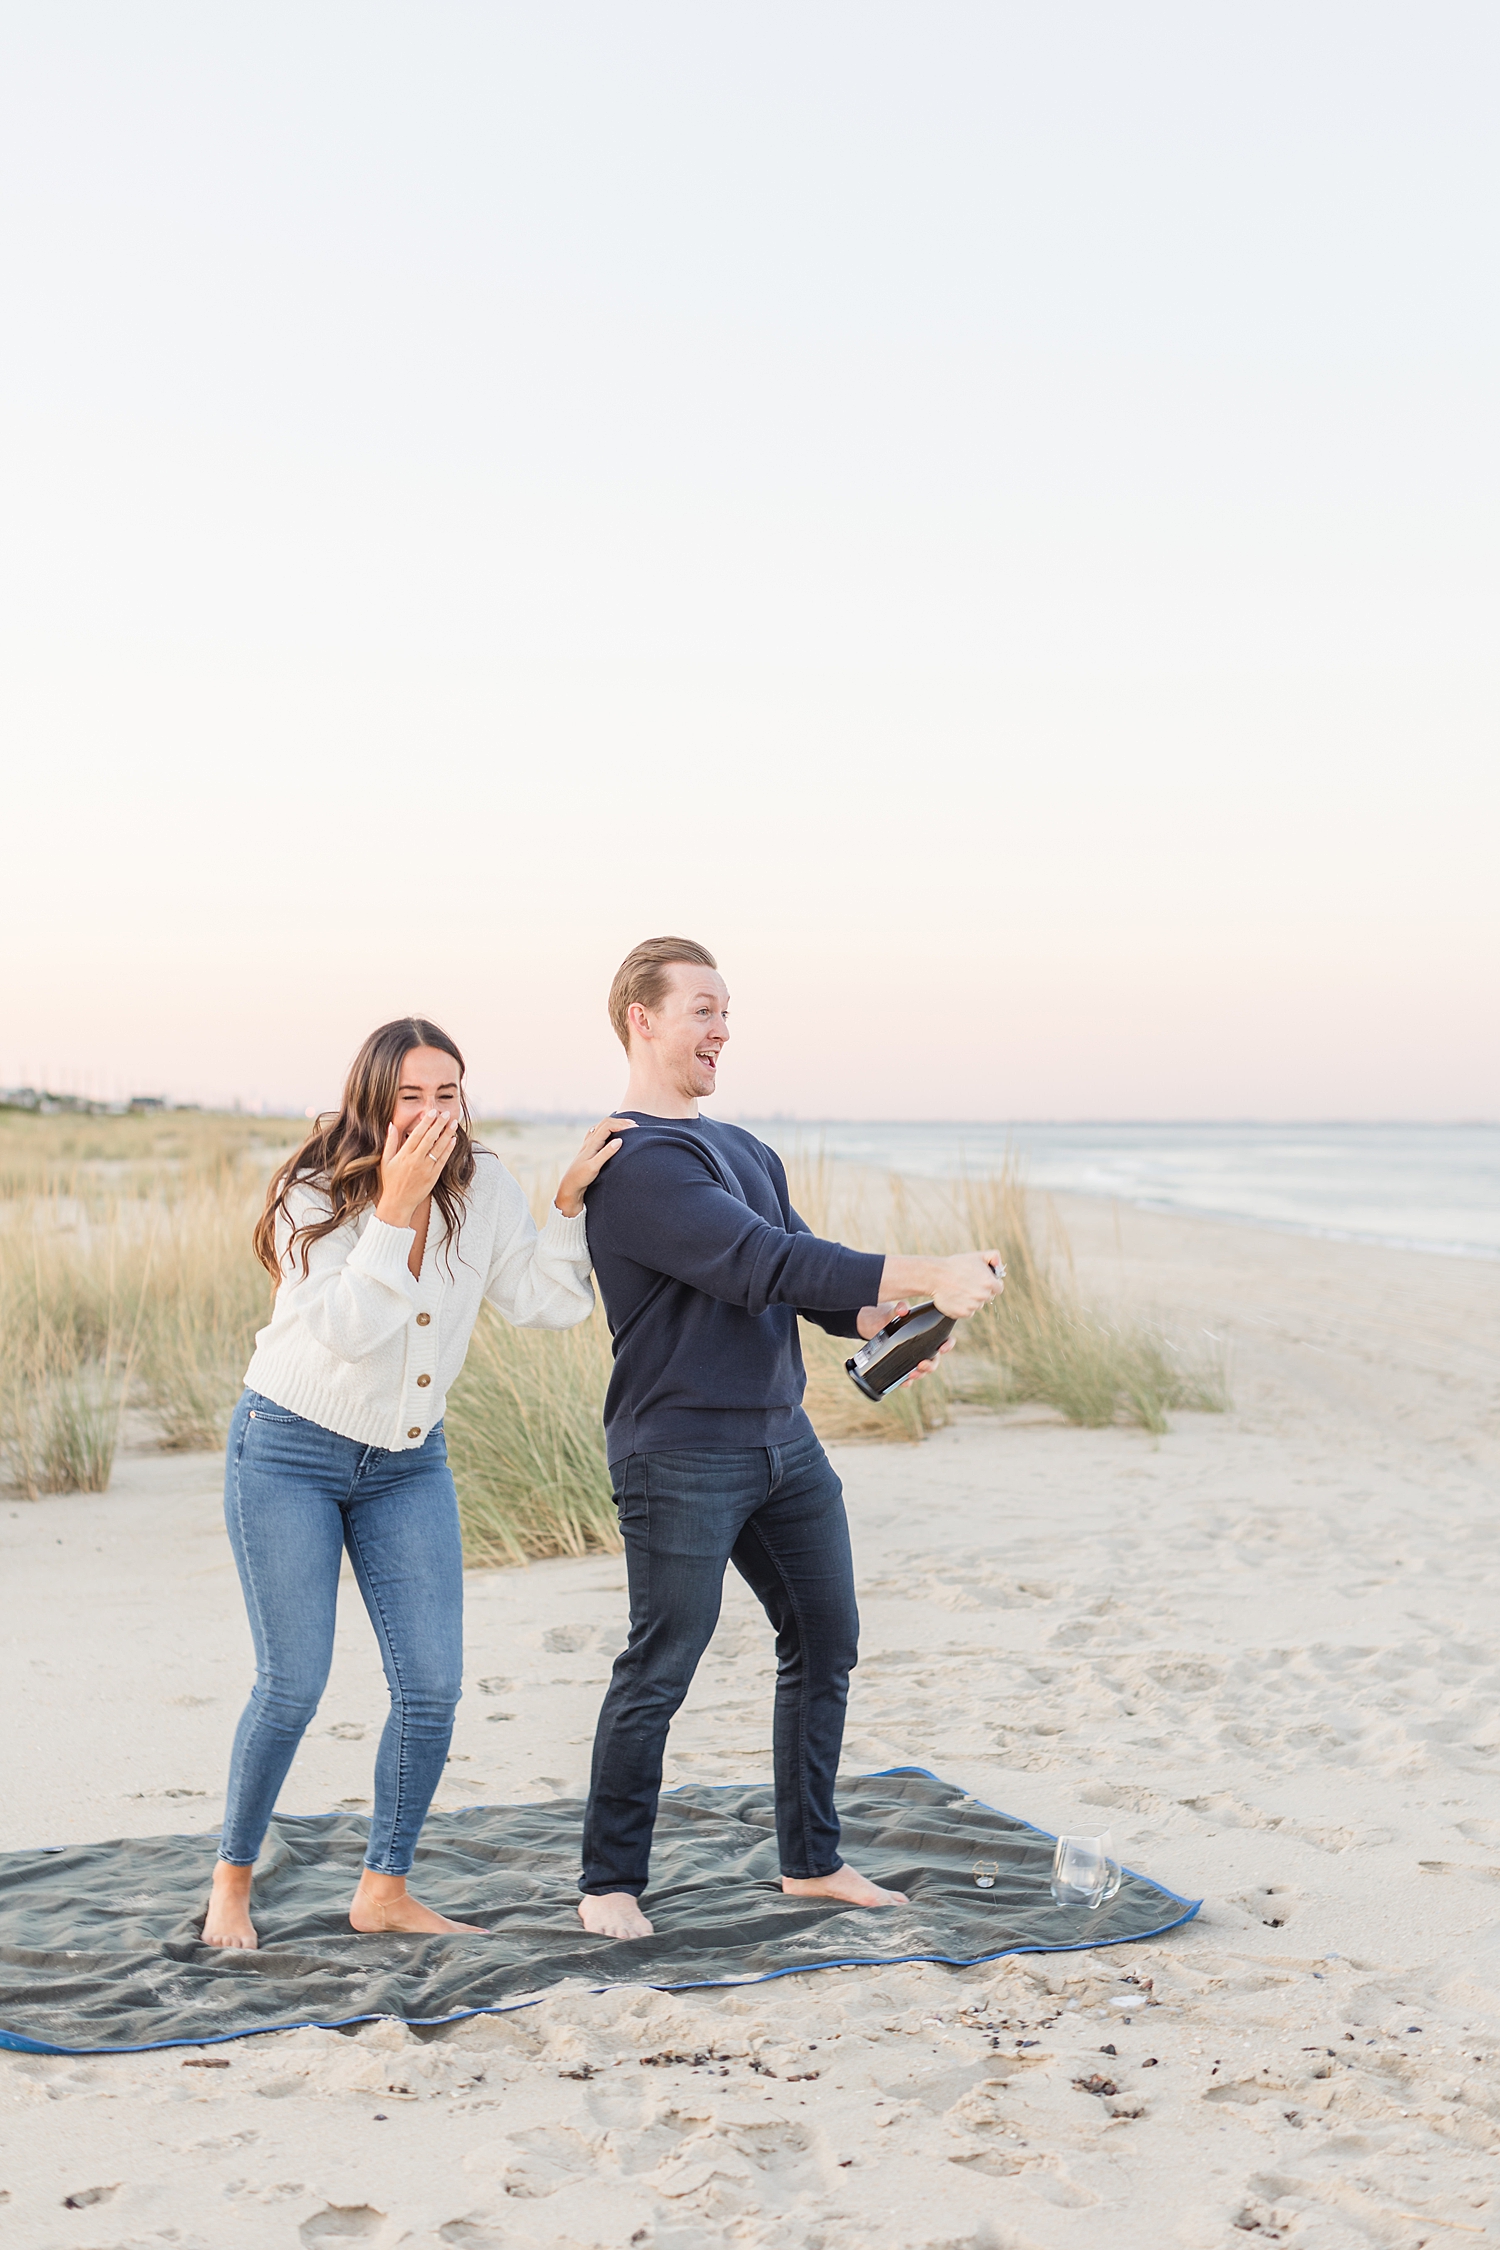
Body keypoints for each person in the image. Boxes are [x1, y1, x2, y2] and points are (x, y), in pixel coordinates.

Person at [576, 938, 1003, 1939]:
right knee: (663, 1661)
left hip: (783, 1443)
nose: (722, 1029)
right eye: (702, 1010)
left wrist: (888, 1325)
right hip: (679, 1449)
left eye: (728, 1012)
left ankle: (811, 1863)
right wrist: (929, 1265)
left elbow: (810, 1287)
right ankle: (607, 1884)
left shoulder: (745, 1151)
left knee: (825, 1641)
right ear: (642, 1018)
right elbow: (757, 1261)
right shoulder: (635, 1162)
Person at [202, 1016, 630, 1951]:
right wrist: (394, 1206)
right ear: (372, 1099)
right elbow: (347, 1332)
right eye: (410, 1097)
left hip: (407, 1464)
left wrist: (564, 1206)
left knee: (432, 1690)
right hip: (288, 1451)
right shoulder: (313, 1193)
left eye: (448, 1094)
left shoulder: (485, 1188)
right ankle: (231, 1882)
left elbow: (547, 1302)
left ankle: (383, 1890)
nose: (434, 1115)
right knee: (292, 1686)